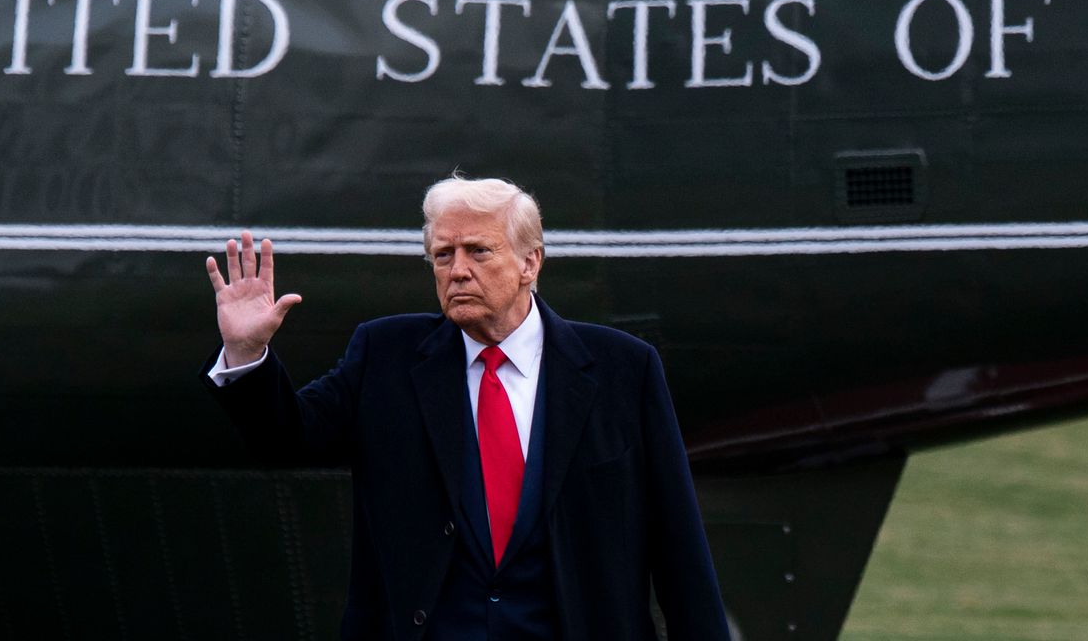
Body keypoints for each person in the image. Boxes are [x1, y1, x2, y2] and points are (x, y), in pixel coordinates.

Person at [202, 176, 730, 641]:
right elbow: (286, 439)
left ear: (530, 262)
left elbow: (678, 544)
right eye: (442, 255)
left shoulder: (622, 369)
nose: (457, 271)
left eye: (478, 251)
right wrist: (247, 354)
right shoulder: (385, 355)